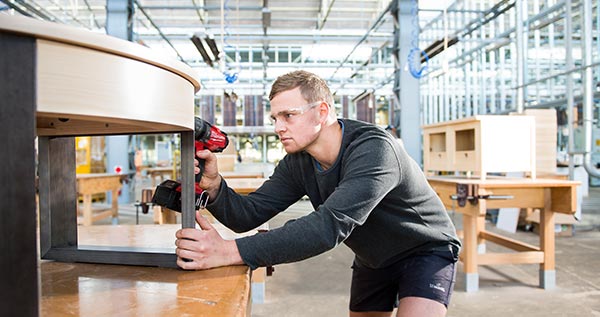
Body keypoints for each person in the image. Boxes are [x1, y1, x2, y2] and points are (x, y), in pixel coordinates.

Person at [175, 70, 461, 317]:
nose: (278, 127)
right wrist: (215, 186)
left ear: (322, 112)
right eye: (275, 117)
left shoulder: (375, 150)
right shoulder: (299, 162)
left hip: (425, 250)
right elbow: (249, 214)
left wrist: (228, 250)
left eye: (289, 115)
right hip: (373, 257)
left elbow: (327, 227)